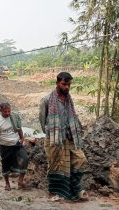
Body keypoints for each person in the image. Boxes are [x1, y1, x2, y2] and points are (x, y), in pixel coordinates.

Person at [39, 72, 88, 201]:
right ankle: (52, 193)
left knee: (80, 159)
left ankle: (73, 188)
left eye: (69, 85)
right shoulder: (46, 100)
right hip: (54, 139)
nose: (67, 87)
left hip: (69, 137)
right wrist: (52, 134)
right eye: (64, 84)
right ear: (57, 83)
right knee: (55, 165)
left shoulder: (69, 99)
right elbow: (42, 120)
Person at [0, 102, 31, 191]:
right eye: (5, 111)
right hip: (5, 146)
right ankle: (7, 183)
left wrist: (22, 138)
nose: (7, 113)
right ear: (0, 111)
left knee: (25, 158)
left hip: (16, 144)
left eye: (9, 111)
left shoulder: (14, 117)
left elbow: (19, 128)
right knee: (5, 165)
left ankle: (20, 182)